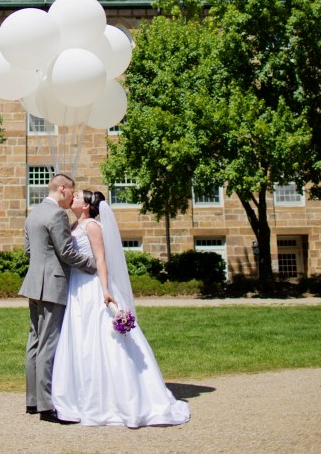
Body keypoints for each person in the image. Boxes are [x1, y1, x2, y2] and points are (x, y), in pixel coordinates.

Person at [51, 190, 191, 428]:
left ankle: (114, 400)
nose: (72, 198)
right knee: (80, 338)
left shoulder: (93, 226)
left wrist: (106, 290)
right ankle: (80, 398)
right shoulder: (76, 225)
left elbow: (101, 259)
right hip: (77, 287)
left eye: (77, 197)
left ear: (86, 206)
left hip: (92, 285)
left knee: (101, 340)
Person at [18, 173, 97, 423]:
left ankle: (32, 400)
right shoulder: (57, 215)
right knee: (48, 343)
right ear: (62, 189)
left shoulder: (33, 212)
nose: (72, 199)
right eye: (72, 194)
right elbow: (66, 252)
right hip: (52, 284)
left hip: (33, 283)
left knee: (34, 341)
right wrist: (93, 264)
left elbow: (29, 250)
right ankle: (46, 405)